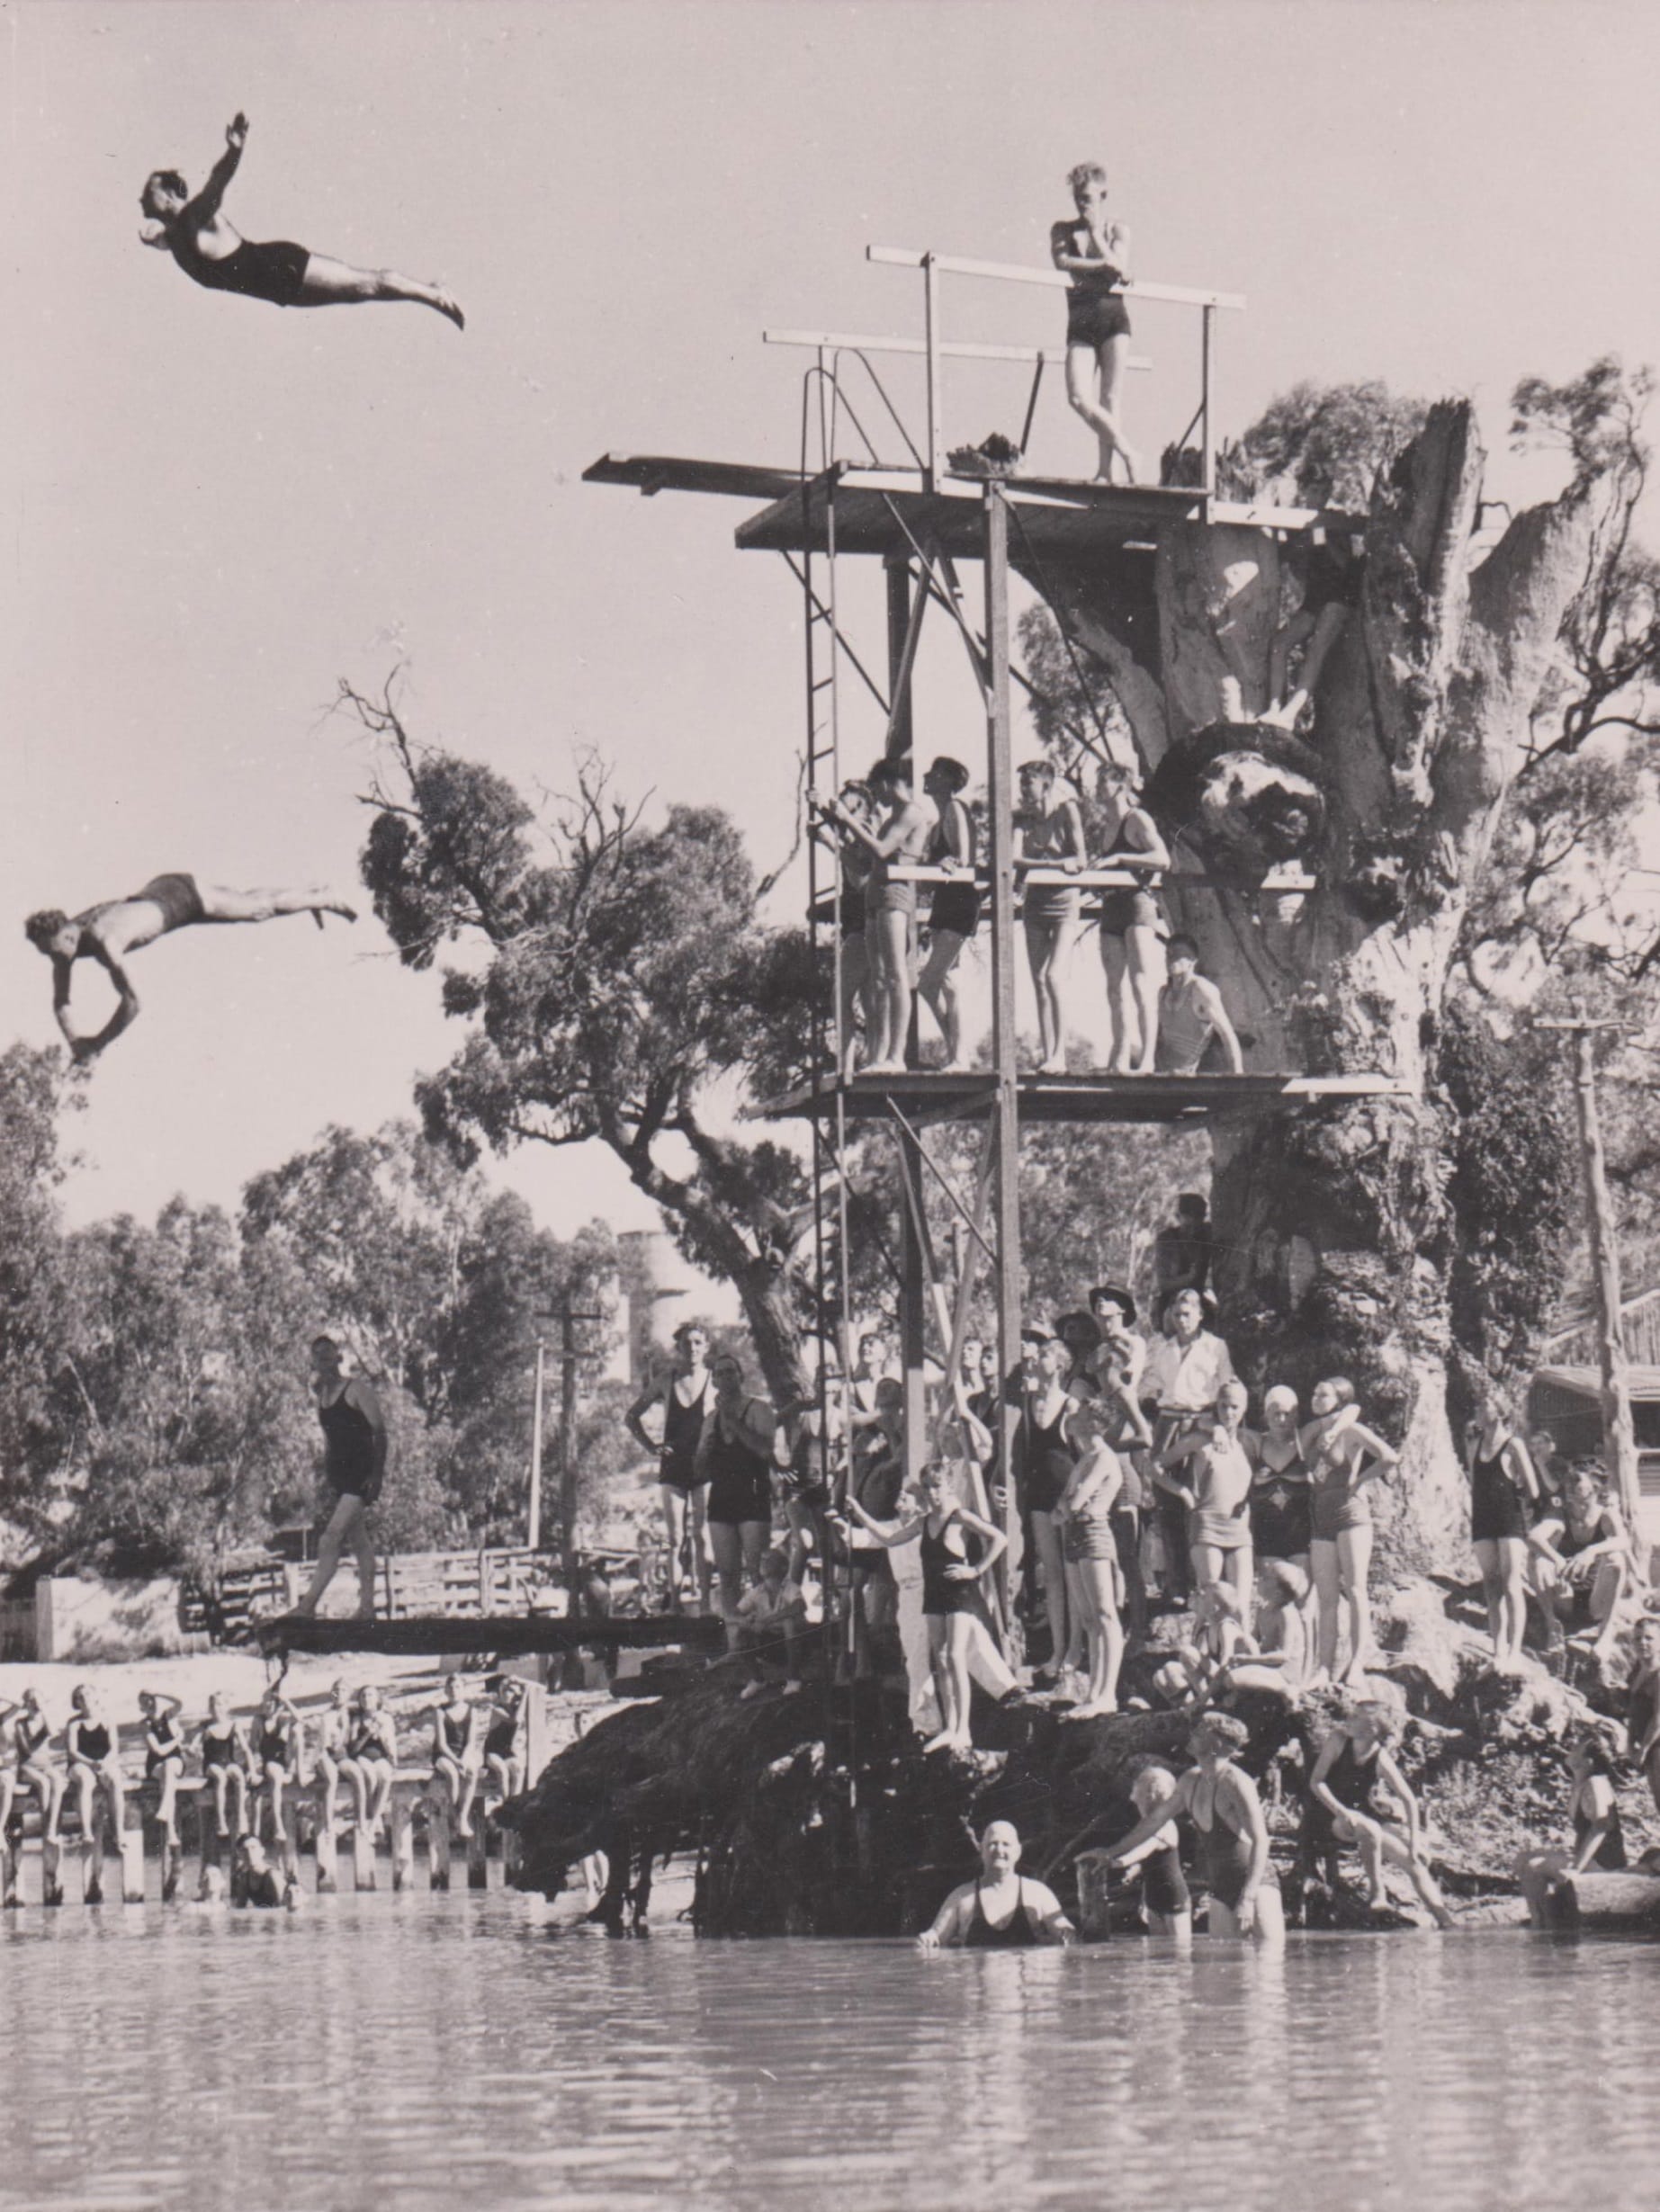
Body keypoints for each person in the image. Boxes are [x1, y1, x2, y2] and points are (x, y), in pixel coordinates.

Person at [139, 113, 463, 325]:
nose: (141, 198)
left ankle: (434, 292)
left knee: (366, 285)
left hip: (281, 268)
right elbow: (164, 242)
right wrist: (151, 238)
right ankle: (428, 291)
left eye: (148, 192)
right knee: (360, 294)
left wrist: (235, 151)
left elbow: (217, 182)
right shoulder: (174, 236)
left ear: (170, 196)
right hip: (279, 290)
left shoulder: (193, 217)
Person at [25, 874, 357, 1065]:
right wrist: (74, 1043)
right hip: (160, 887)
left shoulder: (104, 941)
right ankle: (311, 893)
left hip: (179, 901)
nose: (54, 961)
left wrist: (98, 1043)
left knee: (257, 910)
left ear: (67, 933)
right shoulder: (70, 936)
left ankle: (323, 896)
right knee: (246, 902)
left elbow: (133, 1002)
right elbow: (61, 1000)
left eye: (53, 951)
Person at [839, 1461, 1008, 1752]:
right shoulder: (920, 1523)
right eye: (927, 1488)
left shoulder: (958, 1517)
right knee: (941, 1659)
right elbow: (886, 1538)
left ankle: (965, 1727)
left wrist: (975, 1570)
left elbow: (999, 1538)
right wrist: (858, 1513)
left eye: (936, 1487)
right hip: (931, 1595)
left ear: (947, 1487)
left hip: (956, 1590)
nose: (932, 1493)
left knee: (958, 1654)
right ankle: (949, 1727)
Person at [1101, 1713, 1285, 1943]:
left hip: (1256, 1885)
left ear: (1217, 1743)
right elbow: (1153, 1822)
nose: (1193, 1734)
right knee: (1226, 1972)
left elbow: (1262, 1840)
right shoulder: (1189, 1780)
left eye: (1200, 1731)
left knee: (1270, 1965)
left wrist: (1247, 1898)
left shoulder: (1235, 1781)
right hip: (1220, 1888)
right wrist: (1109, 1852)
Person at [818, 757, 933, 1074]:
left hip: (896, 897)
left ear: (885, 783)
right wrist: (831, 819)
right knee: (880, 979)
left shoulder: (911, 813)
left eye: (877, 792)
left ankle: (896, 1056)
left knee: (896, 975)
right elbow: (862, 861)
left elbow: (882, 850)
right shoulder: (893, 816)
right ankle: (879, 1058)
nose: (878, 800)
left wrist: (846, 819)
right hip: (876, 899)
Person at [1303, 1704, 1454, 1926]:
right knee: (1370, 1829)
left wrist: (1414, 1843)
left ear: (1371, 1730)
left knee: (1415, 1863)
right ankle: (1377, 1892)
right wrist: (1342, 1812)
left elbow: (1409, 1800)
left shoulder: (1380, 1757)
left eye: (1355, 1717)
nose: (1348, 1719)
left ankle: (1446, 1922)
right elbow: (1317, 1781)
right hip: (1329, 1814)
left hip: (1365, 1814)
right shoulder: (1338, 1741)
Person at [1143, 1287, 1237, 1601]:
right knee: (1165, 1497)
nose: (1182, 1320)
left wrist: (1221, 1427)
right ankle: (1176, 1583)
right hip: (1168, 1420)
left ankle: (1205, 1582)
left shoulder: (1214, 1347)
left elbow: (1227, 1386)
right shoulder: (1162, 1348)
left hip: (1202, 1421)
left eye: (1188, 1314)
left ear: (1199, 1315)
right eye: (1177, 1313)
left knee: (1200, 1498)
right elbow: (1149, 1385)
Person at [1050, 163, 1140, 485]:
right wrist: (1104, 264)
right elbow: (1064, 262)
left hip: (1113, 318)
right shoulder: (1062, 229)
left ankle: (1106, 470)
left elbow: (1121, 266)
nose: (1082, 204)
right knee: (1078, 397)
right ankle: (1128, 451)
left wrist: (1097, 237)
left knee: (1110, 398)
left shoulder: (1119, 229)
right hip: (1081, 319)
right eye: (1078, 198)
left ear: (1103, 195)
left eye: (1088, 198)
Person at [1303, 1378, 1397, 1686]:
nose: (1315, 1397)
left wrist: (1360, 1481)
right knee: (1326, 1598)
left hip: (1351, 1514)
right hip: (1321, 1518)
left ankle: (1357, 1663)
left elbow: (1389, 1457)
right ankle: (1323, 1667)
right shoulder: (1310, 1432)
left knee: (1356, 1590)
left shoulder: (1352, 1431)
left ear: (1340, 1398)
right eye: (1314, 1392)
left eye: (1323, 1394)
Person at [295, 1334, 387, 1620]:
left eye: (329, 1354)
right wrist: (327, 1472)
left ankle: (307, 1606)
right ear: (314, 1363)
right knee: (359, 1541)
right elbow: (332, 1441)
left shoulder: (356, 1389)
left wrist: (377, 1475)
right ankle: (368, 1609)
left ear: (339, 1357)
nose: (324, 1361)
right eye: (318, 1356)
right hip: (340, 1477)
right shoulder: (322, 1398)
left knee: (330, 1538)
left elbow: (380, 1433)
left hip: (361, 1474)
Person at [627, 1321, 714, 1613]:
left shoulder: (715, 1382)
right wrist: (651, 1446)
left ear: (706, 1347)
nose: (693, 1348)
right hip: (673, 1465)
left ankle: (704, 1605)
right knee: (675, 1538)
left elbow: (730, 1421)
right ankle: (675, 1605)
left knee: (702, 1536)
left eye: (698, 1342)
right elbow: (632, 1416)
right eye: (687, 1343)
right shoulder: (666, 1380)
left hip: (704, 1466)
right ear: (679, 1347)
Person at [1055, 1385, 1127, 1716]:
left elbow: (1075, 1501)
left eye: (1082, 1415)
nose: (1074, 1418)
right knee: (1087, 1618)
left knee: (1105, 1615)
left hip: (1094, 1533)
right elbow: (1064, 1506)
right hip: (1074, 1534)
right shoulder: (1084, 1458)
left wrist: (1066, 1509)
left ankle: (1106, 1694)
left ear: (1096, 1423)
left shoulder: (1103, 1457)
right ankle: (1094, 1693)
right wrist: (1066, 1509)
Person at [1093, 762, 1169, 1072]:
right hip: (1111, 907)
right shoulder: (1103, 827)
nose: (1097, 789)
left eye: (1102, 783)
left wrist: (1121, 857)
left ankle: (1148, 1058)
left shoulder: (1136, 819)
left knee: (1140, 982)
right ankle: (1121, 1054)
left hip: (1137, 904)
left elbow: (1161, 859)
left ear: (1120, 786)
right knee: (1114, 987)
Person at [1015, 758, 1089, 1074]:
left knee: (1054, 976)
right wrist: (1056, 865)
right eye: (1021, 783)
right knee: (1038, 981)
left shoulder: (1066, 810)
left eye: (1028, 782)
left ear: (1045, 784)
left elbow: (1081, 858)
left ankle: (1061, 1053)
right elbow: (1014, 858)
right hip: (1035, 902)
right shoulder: (1021, 819)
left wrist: (1051, 865)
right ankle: (1049, 1056)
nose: (1022, 789)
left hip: (1064, 902)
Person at [1156, 1378, 1255, 1610]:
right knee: (1212, 1602)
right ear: (1216, 1406)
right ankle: (1207, 1646)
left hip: (1240, 1530)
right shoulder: (1199, 1441)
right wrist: (1183, 1492)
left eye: (1235, 1407)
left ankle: (1235, 1646)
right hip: (1207, 1527)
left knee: (1241, 1604)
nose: (1229, 1412)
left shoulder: (1249, 1442)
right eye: (1223, 1406)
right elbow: (1153, 1467)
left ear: (1245, 1408)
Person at [695, 1353, 777, 1625]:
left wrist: (733, 1420)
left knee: (757, 1570)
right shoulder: (710, 1419)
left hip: (752, 1493)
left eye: (731, 1371)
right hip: (722, 1497)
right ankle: (735, 1636)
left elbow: (765, 1449)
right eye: (720, 1373)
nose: (726, 1377)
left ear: (741, 1376)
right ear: (714, 1381)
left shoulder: (759, 1409)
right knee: (727, 1573)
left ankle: (762, 1629)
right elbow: (700, 1470)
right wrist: (704, 1454)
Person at [1517, 1729, 1631, 1926]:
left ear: (1589, 1761)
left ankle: (1542, 1927)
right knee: (1522, 1859)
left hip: (1606, 1863)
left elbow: (1602, 1826)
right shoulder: (1581, 1782)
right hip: (1591, 1859)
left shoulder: (1596, 1783)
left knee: (1532, 1867)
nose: (1571, 1747)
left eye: (1578, 1746)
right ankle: (1545, 1919)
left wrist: (1576, 1868)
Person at [1015, 1332, 1078, 1679]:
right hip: (1038, 1491)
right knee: (1052, 1574)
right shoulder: (1026, 1402)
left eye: (1045, 1355)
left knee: (1072, 1573)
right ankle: (1056, 1650)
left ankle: (1074, 1650)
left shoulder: (1070, 1404)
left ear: (1060, 1364)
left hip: (1065, 1490)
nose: (1039, 1359)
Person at [1465, 1386, 1539, 1668]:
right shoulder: (1474, 1444)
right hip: (1483, 1518)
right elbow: (1475, 1483)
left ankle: (1515, 1649)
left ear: (1500, 1411)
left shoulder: (1513, 1445)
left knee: (1511, 1583)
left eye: (1484, 1407)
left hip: (1509, 1518)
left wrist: (1512, 1497)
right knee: (1491, 1584)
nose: (1478, 1412)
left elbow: (1531, 1488)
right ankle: (1498, 1647)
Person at [1530, 1464, 1634, 1665]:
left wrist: (1591, 1551)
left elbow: (1624, 1540)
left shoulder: (1605, 1515)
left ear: (1595, 1487)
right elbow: (1534, 1537)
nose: (1569, 1484)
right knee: (1536, 1559)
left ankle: (1606, 1633)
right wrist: (1557, 1559)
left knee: (1616, 1560)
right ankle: (1552, 1626)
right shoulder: (1560, 1513)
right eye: (1568, 1479)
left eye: (1577, 1480)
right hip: (1564, 1598)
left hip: (1597, 1602)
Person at [1077, 1757, 1192, 1938]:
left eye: (1139, 1782)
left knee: (1180, 1956)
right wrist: (1144, 1898)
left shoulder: (1164, 1824)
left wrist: (1114, 1863)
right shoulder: (1145, 1824)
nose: (1134, 1785)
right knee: (1161, 1961)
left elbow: (1143, 1850)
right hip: (1153, 1898)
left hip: (1173, 1898)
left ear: (1151, 1792)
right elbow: (1151, 1863)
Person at [916, 1818, 1074, 1948]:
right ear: (981, 1850)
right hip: (976, 1986)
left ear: (1017, 1851)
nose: (999, 1850)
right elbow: (936, 1937)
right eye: (992, 1843)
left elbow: (1062, 1928)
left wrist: (1066, 1933)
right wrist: (927, 1940)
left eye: (1006, 1844)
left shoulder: (1038, 1893)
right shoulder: (961, 1897)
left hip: (1026, 1985)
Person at [918, 757, 980, 1070]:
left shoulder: (956, 809)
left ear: (948, 780)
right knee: (938, 984)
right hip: (942, 903)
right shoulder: (934, 827)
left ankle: (960, 1054)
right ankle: (958, 1052)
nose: (927, 777)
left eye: (935, 773)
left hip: (960, 901)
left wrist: (949, 863)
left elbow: (964, 858)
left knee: (933, 980)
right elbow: (928, 880)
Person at [1265, 535, 1362, 730]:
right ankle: (1274, 708)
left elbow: (1349, 558)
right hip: (1318, 592)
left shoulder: (1335, 532)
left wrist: (1327, 541)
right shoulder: (1302, 542)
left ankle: (1289, 714)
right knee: (1280, 644)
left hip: (1342, 592)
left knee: (1317, 649)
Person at [1244, 1384, 1314, 1584]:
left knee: (1303, 1598)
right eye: (1275, 1413)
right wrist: (1219, 1433)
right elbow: (1220, 1423)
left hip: (1301, 1536)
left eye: (1287, 1413)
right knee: (1272, 1599)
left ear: (1297, 1415)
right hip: (1267, 1537)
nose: (1281, 1419)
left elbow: (1342, 1415)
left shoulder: (1304, 1442)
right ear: (1265, 1415)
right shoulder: (1256, 1443)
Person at [1155, 936, 1244, 1076]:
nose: (1171, 959)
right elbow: (1157, 1037)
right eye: (1168, 954)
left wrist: (1238, 1076)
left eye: (1178, 954)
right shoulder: (1163, 992)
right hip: (1158, 1072)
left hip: (1183, 1075)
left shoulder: (1201, 989)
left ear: (1192, 961)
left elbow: (1227, 1034)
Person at [733, 1547, 808, 1697]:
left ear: (783, 1567)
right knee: (741, 1632)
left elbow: (800, 1605)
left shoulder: (790, 1587)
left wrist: (767, 1621)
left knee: (789, 1623)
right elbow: (735, 1613)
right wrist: (746, 1621)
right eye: (762, 1559)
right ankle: (757, 1680)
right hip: (769, 1643)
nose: (763, 1563)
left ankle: (794, 1678)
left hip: (797, 1644)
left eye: (769, 1559)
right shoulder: (757, 1591)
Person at [61, 1686, 125, 1846]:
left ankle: (119, 1831)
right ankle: (86, 1831)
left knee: (116, 1779)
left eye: (87, 1695)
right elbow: (72, 1751)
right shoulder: (74, 1723)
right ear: (76, 1702)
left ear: (96, 1697)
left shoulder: (108, 1720)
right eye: (80, 1697)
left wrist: (104, 1763)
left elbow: (114, 1749)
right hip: (80, 1764)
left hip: (103, 1762)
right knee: (86, 1779)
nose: (84, 1699)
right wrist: (91, 1763)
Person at [1, 1688, 62, 1844]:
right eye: (32, 1701)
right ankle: (46, 1826)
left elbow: (54, 1732)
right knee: (43, 1782)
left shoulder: (45, 1721)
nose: (35, 1704)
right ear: (27, 1704)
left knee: (57, 1781)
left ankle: (51, 1828)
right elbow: (27, 1750)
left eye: (38, 1700)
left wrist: (44, 1712)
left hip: (45, 1765)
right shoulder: (20, 1724)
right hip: (27, 1767)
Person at [427, 1674, 481, 1839]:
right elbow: (442, 1744)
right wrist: (457, 1762)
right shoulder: (440, 1711)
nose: (454, 1691)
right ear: (445, 1690)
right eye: (450, 1688)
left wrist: (464, 1759)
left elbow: (471, 1741)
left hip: (463, 1753)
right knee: (451, 1773)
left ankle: (462, 1817)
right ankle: (454, 1814)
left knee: (472, 1772)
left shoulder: (472, 1711)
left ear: (464, 1690)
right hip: (444, 1754)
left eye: (458, 1687)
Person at [1152, 1194, 1214, 1330]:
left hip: (1205, 1304)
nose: (1193, 1221)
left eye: (1198, 1216)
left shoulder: (1209, 1234)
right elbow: (1163, 1284)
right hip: (1174, 1303)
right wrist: (1189, 1278)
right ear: (1178, 1217)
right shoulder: (1167, 1240)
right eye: (1187, 1216)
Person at [343, 1687, 398, 1838]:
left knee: (386, 1777)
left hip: (380, 1757)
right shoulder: (357, 1719)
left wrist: (394, 1759)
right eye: (363, 1696)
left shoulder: (386, 1718)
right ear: (360, 1700)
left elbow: (391, 1743)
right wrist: (368, 1733)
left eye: (370, 1695)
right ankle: (371, 1819)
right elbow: (353, 1749)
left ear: (377, 1699)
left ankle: (374, 1821)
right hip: (362, 1757)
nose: (367, 1699)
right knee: (370, 1776)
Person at [252, 1688, 301, 1847]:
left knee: (297, 1730)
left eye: (272, 1701)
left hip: (285, 1761)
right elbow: (253, 1746)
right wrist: (255, 1766)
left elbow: (299, 1718)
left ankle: (277, 1825)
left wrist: (286, 1700)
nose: (268, 1704)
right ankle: (278, 1824)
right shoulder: (258, 1721)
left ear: (277, 1704)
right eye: (265, 1701)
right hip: (269, 1761)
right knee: (274, 1775)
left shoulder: (284, 1719)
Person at [198, 1691, 251, 1840]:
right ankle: (221, 1820)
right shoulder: (205, 1726)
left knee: (238, 1774)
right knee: (221, 1777)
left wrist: (252, 1770)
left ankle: (241, 1816)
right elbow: (192, 1748)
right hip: (211, 1764)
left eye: (220, 1704)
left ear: (227, 1707)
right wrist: (196, 1747)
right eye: (213, 1705)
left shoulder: (233, 1725)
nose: (217, 1708)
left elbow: (246, 1748)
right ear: (209, 1708)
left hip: (228, 1761)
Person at [139, 1689, 187, 1849]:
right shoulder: (145, 1725)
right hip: (156, 1764)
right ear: (142, 1708)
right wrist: (178, 1739)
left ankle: (166, 1816)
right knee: (168, 1779)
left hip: (175, 1761)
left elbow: (179, 1702)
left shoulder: (169, 1715)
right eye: (145, 1703)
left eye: (152, 1700)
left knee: (170, 1768)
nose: (150, 1704)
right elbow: (159, 1751)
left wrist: (159, 1692)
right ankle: (171, 1833)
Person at [1628, 1614, 1660, 1818]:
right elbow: (1633, 1710)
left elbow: (1659, 1718)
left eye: (1649, 1638)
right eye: (1638, 1638)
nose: (1643, 1643)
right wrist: (1630, 1743)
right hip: (1649, 1749)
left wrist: (1643, 1749)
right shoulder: (1636, 1671)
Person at [311, 1679, 353, 1836]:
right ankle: (329, 1824)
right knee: (331, 1778)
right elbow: (326, 1744)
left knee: (359, 1774)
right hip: (325, 1754)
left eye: (343, 1690)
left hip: (343, 1757)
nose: (339, 1694)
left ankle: (367, 1819)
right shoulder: (327, 1716)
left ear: (349, 1694)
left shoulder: (352, 1713)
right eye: (336, 1691)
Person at [481, 1678, 528, 1804]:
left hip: (507, 1751)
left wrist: (524, 1693)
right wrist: (525, 1695)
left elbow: (519, 1717)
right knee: (502, 1769)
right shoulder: (497, 1709)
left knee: (518, 1769)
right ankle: (506, 1805)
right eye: (504, 1690)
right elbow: (516, 1720)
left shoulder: (516, 1709)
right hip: (492, 1752)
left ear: (516, 1696)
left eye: (511, 1691)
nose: (506, 1693)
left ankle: (514, 1804)